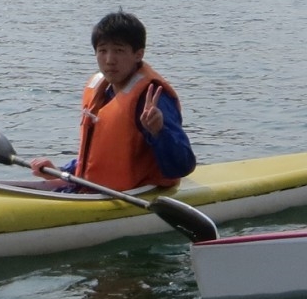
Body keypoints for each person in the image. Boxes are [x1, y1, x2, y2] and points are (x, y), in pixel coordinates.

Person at [28, 11, 196, 190]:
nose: (109, 60)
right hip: (97, 190)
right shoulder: (102, 92)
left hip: (137, 193)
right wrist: (61, 171)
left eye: (119, 50)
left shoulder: (152, 98)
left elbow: (183, 166)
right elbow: (100, 156)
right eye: (102, 51)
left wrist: (159, 132)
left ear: (138, 54)